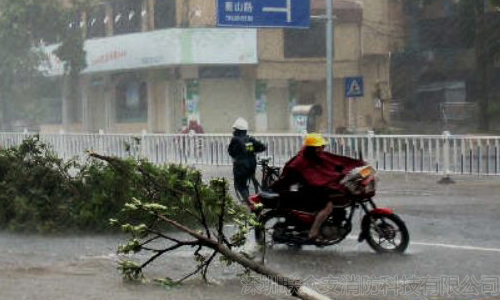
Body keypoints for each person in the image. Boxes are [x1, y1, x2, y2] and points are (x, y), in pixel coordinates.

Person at [270, 133, 365, 242]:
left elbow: (335, 164)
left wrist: (352, 168)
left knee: (338, 198)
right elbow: (289, 178)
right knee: (328, 206)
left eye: (322, 147)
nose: (321, 149)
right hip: (309, 192)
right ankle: (313, 232)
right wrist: (275, 187)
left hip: (317, 189)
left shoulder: (317, 156)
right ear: (312, 148)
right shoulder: (301, 161)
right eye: (319, 147)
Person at [228, 117, 266, 204]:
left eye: (235, 129)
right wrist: (252, 151)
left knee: (241, 186)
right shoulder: (250, 139)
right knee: (248, 182)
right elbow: (262, 147)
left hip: (241, 167)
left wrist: (238, 156)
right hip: (252, 165)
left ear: (237, 130)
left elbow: (230, 151)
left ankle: (250, 203)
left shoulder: (235, 140)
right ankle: (254, 198)